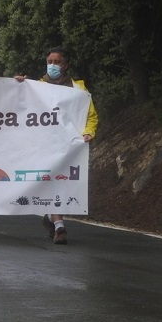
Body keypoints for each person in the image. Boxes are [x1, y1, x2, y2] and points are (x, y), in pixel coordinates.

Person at [15, 46, 98, 244]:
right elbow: (18, 104)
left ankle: (52, 220)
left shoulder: (79, 90)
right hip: (44, 143)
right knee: (51, 180)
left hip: (69, 145)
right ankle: (59, 226)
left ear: (65, 65)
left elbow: (91, 116)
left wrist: (88, 132)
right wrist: (19, 85)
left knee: (61, 181)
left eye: (57, 62)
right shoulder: (36, 86)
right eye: (49, 62)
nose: (52, 65)